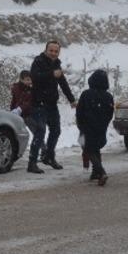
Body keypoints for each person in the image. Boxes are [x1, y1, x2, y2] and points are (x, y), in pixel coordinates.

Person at [30, 39, 77, 170]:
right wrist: (51, 74)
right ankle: (32, 163)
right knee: (40, 132)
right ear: (46, 50)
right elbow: (34, 77)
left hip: (52, 104)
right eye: (51, 50)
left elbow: (63, 83)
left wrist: (72, 100)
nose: (53, 53)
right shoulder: (38, 61)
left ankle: (49, 157)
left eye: (56, 51)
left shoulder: (57, 64)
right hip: (39, 103)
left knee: (56, 131)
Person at [76, 69, 115, 186]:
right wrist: (104, 123)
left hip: (87, 126)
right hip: (101, 127)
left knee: (88, 148)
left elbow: (80, 111)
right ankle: (95, 172)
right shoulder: (108, 96)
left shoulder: (86, 94)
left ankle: (101, 172)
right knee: (95, 147)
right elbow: (110, 112)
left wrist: (81, 124)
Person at [10, 70, 43, 175]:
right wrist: (13, 110)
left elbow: (28, 103)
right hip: (21, 116)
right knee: (34, 133)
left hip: (27, 115)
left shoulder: (30, 90)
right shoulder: (16, 89)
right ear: (21, 79)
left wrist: (19, 108)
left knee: (37, 133)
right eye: (27, 80)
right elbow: (15, 101)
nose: (29, 82)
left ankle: (44, 151)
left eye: (30, 79)